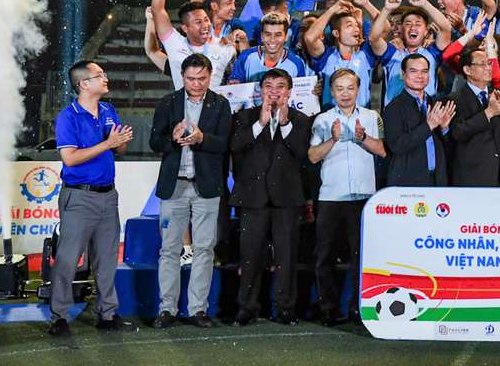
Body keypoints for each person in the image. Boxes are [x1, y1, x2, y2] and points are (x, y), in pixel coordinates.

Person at [48, 61, 136, 336]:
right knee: (67, 258)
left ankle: (107, 314)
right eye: (99, 75)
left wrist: (120, 140)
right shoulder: (68, 116)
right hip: (79, 197)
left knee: (107, 259)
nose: (105, 78)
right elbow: (70, 158)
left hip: (108, 195)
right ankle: (59, 317)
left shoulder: (109, 110)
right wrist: (107, 144)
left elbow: (118, 147)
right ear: (83, 84)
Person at [148, 53, 232, 329]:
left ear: (210, 77)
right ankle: (167, 309)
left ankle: (198, 309)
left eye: (202, 78)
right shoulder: (169, 102)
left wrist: (201, 139)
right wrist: (172, 139)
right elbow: (154, 142)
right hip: (174, 187)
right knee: (169, 249)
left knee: (205, 249)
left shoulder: (220, 104)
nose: (196, 84)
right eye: (191, 79)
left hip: (206, 186)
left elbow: (224, 144)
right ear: (182, 77)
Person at [228, 69, 312, 326]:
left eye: (280, 86)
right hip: (253, 199)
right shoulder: (244, 117)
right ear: (260, 90)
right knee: (250, 256)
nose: (274, 91)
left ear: (289, 91)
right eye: (268, 86)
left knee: (286, 257)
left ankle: (285, 309)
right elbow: (235, 146)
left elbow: (302, 154)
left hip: (287, 198)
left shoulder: (300, 119)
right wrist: (260, 124)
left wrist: (284, 124)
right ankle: (247, 308)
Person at [308, 68, 387, 325]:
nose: (345, 93)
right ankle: (329, 309)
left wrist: (362, 138)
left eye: (350, 88)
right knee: (325, 257)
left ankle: (358, 309)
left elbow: (383, 151)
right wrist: (333, 139)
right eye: (339, 88)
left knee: (361, 256)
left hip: (364, 196)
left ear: (358, 89)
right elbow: (312, 156)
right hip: (331, 195)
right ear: (331, 91)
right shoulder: (322, 119)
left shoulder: (371, 117)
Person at [151, 0, 236, 88]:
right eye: (198, 22)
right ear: (185, 28)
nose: (205, 25)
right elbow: (158, 10)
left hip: (215, 108)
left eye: (206, 20)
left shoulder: (223, 46)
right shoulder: (175, 43)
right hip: (184, 108)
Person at [448, 34, 500, 186]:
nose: (489, 68)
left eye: (489, 64)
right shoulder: (455, 99)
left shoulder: (499, 93)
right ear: (467, 70)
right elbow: (458, 132)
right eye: (482, 64)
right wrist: (489, 113)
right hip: (474, 177)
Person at [382, 54, 455, 186]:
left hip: (438, 179)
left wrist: (445, 129)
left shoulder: (436, 103)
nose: (420, 76)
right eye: (413, 71)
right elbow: (397, 146)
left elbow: (449, 148)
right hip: (409, 183)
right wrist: (429, 125)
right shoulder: (393, 108)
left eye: (424, 71)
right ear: (403, 74)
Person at [370, 0, 453, 102]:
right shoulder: (392, 52)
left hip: (426, 115)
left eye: (418, 24)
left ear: (425, 31)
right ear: (402, 30)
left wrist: (425, 4)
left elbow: (446, 28)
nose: (413, 27)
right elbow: (374, 38)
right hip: (395, 115)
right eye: (408, 24)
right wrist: (386, 9)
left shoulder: (432, 52)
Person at [303, 0, 381, 108]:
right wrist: (332, 9)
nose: (356, 29)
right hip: (330, 121)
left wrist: (366, 5)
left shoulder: (366, 54)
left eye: (357, 26)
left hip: (362, 121)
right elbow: (310, 38)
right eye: (349, 25)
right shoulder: (327, 57)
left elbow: (385, 29)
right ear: (336, 33)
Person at [229, 12, 308, 84]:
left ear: (286, 37)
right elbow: (234, 87)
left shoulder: (296, 63)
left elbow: (300, 94)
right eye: (268, 34)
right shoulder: (246, 57)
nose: (272, 39)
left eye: (278, 35)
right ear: (262, 36)